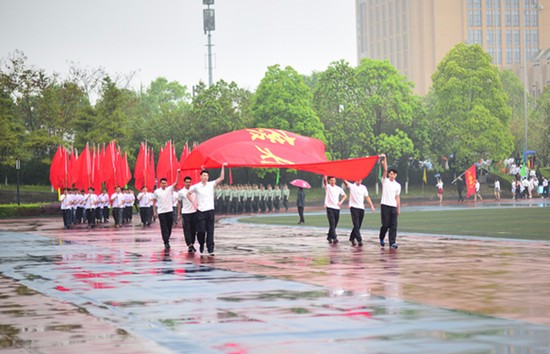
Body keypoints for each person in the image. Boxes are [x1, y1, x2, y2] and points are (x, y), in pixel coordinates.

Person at [187, 163, 227, 256]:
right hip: (201, 211)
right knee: (201, 231)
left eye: (207, 176)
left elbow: (221, 178)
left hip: (210, 211)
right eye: (204, 175)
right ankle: (201, 244)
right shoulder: (196, 186)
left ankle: (210, 249)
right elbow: (188, 194)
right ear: (200, 176)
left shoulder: (211, 184)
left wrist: (223, 167)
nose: (205, 177)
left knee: (210, 230)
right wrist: (193, 202)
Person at [153, 170, 181, 249]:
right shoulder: (157, 192)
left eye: (165, 183)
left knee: (169, 226)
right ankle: (166, 241)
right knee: (164, 227)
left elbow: (176, 182)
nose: (164, 184)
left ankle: (167, 238)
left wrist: (178, 173)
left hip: (169, 210)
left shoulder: (169, 189)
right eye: (162, 183)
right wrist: (154, 212)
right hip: (161, 212)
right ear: (160, 184)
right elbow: (154, 202)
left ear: (166, 183)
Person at [378, 154, 401, 249]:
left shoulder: (398, 185)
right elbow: (385, 169)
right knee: (386, 225)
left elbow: (397, 197)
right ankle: (382, 237)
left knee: (393, 226)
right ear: (388, 174)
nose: (392, 175)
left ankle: (392, 242)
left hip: (393, 206)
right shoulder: (385, 181)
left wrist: (398, 208)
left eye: (394, 174)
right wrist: (385, 158)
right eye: (390, 174)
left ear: (395, 175)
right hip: (385, 205)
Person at [343, 179, 375, 247]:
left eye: (360, 179)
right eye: (358, 179)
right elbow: (345, 182)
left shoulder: (363, 187)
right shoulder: (352, 186)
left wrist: (371, 206)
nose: (359, 180)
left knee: (358, 225)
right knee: (356, 224)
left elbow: (367, 197)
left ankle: (352, 237)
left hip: (361, 208)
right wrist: (343, 175)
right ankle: (359, 240)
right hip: (354, 207)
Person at [323, 175, 347, 244]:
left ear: (335, 181)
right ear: (329, 181)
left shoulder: (338, 188)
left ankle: (329, 236)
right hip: (330, 208)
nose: (332, 182)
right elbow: (325, 181)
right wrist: (325, 176)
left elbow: (345, 195)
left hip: (337, 208)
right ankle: (334, 237)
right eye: (331, 180)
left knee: (335, 224)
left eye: (334, 180)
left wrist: (341, 202)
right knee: (332, 223)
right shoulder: (328, 187)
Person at [178, 176, 198, 253]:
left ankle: (192, 243)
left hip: (194, 212)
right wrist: (179, 214)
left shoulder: (194, 190)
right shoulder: (181, 192)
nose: (188, 183)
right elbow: (179, 203)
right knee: (187, 230)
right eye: (187, 182)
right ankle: (189, 245)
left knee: (193, 230)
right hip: (186, 213)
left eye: (189, 182)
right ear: (184, 182)